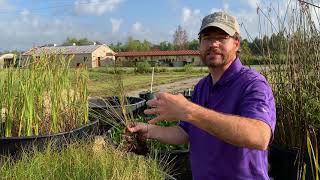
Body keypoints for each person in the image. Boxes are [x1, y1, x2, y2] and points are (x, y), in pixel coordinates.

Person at [128, 11, 276, 180]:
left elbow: (260, 136)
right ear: (200, 45)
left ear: (236, 43)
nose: (213, 44)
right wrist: (149, 131)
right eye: (207, 38)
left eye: (221, 37)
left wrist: (188, 110)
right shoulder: (201, 87)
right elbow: (186, 132)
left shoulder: (252, 84)